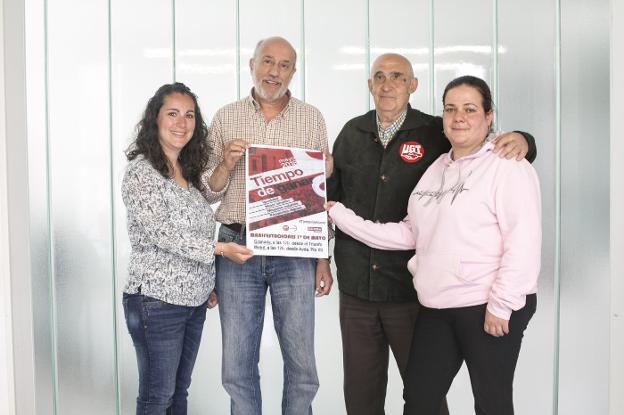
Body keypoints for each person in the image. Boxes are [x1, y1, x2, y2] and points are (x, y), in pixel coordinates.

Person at [326, 54, 536, 415]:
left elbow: (524, 242)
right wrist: (338, 215)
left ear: (489, 117)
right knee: (419, 399)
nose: (459, 117)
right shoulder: (438, 166)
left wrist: (501, 306)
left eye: (470, 109)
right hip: (435, 305)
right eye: (452, 109)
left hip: (485, 303)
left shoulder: (505, 166)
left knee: (492, 401)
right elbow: (409, 232)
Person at [201, 37, 333, 415]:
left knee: (302, 363)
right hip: (236, 246)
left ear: (294, 71)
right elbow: (207, 192)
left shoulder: (312, 118)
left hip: (295, 248)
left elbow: (320, 196)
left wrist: (324, 256)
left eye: (285, 65)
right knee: (237, 364)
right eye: (268, 62)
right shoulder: (226, 117)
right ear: (252, 64)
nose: (274, 72)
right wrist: (225, 164)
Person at [121, 82, 252, 415]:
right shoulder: (141, 173)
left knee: (178, 394)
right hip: (156, 301)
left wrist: (225, 163)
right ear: (155, 120)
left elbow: (209, 193)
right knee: (157, 396)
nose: (182, 123)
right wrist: (221, 249)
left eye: (189, 115)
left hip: (192, 302)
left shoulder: (185, 172)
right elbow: (163, 233)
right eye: (173, 114)